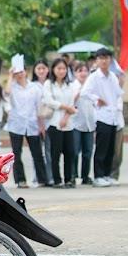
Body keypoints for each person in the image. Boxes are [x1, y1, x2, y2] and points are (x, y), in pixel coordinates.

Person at [81, 48, 123, 187]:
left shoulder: (112, 77)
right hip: (101, 116)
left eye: (106, 58)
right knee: (101, 147)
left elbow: (118, 94)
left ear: (110, 60)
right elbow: (85, 92)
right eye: (101, 58)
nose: (104, 61)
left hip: (112, 116)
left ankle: (106, 174)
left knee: (111, 148)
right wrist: (96, 99)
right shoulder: (94, 77)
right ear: (97, 61)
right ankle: (98, 175)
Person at [6, 59, 48, 188]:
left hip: (32, 124)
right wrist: (9, 76)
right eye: (17, 72)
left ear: (26, 72)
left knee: (37, 153)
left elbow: (38, 107)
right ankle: (20, 180)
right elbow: (6, 93)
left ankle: (42, 179)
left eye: (21, 71)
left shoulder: (34, 87)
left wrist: (41, 125)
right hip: (16, 124)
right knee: (17, 153)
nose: (19, 74)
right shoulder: (12, 87)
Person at [43, 58, 79, 188]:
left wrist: (66, 116)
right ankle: (57, 180)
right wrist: (65, 107)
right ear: (53, 70)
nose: (61, 71)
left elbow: (72, 103)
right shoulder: (49, 84)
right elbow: (49, 101)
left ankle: (69, 179)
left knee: (70, 153)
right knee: (55, 153)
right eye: (59, 68)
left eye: (64, 68)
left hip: (68, 123)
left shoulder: (69, 85)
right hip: (53, 124)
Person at [71, 63, 95, 185]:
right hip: (75, 123)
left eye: (86, 71)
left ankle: (85, 176)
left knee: (88, 152)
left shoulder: (92, 87)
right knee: (75, 151)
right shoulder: (72, 86)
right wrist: (79, 92)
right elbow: (70, 102)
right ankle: (73, 175)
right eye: (80, 70)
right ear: (75, 73)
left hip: (89, 124)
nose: (83, 73)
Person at [32, 59, 54, 179]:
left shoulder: (51, 84)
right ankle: (38, 177)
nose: (41, 71)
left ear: (48, 70)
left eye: (43, 68)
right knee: (37, 153)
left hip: (50, 122)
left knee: (49, 152)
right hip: (34, 124)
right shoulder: (32, 86)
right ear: (34, 71)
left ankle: (50, 177)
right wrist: (40, 125)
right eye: (38, 68)